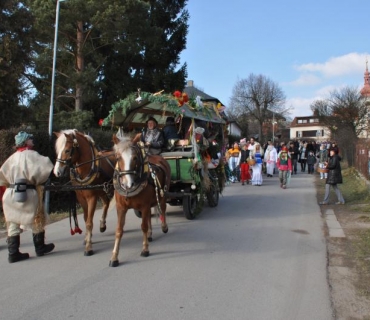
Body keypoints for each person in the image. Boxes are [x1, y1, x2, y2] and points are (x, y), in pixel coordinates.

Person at [0, 131, 55, 263]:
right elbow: (47, 168)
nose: (32, 140)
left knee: (12, 223)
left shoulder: (11, 158)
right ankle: (40, 247)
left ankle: (13, 253)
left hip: (10, 193)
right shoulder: (33, 155)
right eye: (30, 139)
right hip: (29, 192)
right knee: (37, 218)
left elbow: (2, 178)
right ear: (25, 142)